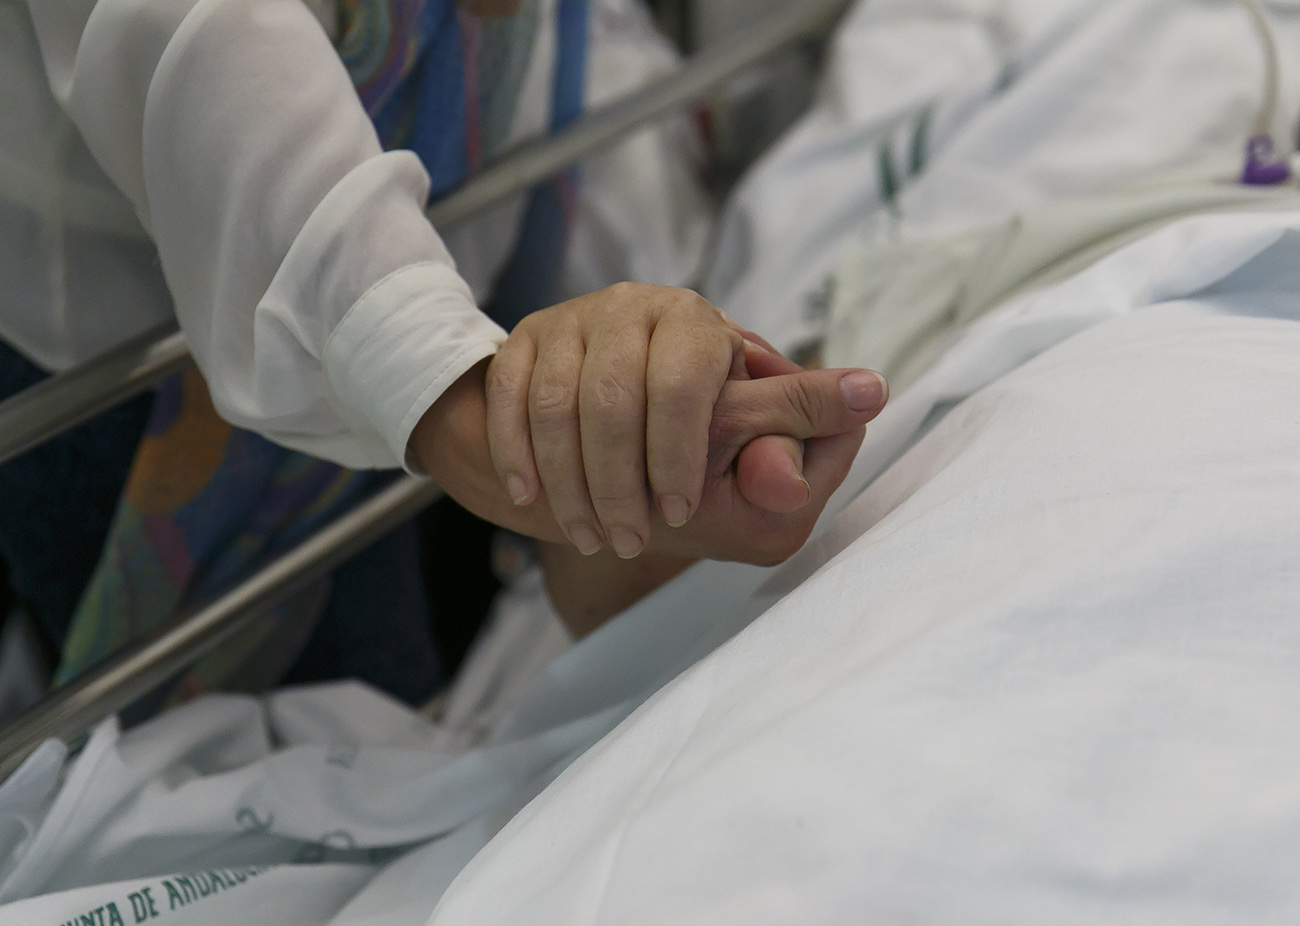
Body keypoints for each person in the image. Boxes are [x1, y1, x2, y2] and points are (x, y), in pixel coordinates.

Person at [0, 0, 887, 698]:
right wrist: (484, 409)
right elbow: (200, 47)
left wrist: (623, 380)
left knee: (443, 658)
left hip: (439, 271)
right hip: (149, 352)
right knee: (296, 715)